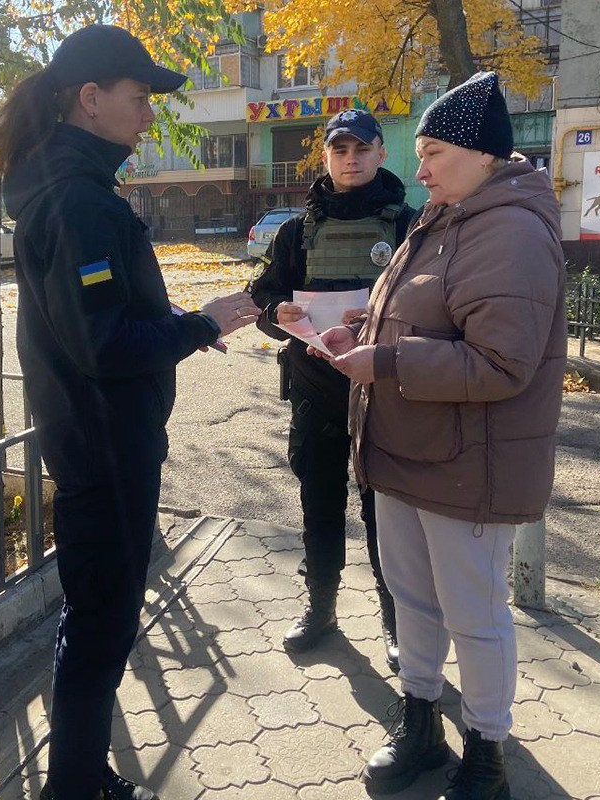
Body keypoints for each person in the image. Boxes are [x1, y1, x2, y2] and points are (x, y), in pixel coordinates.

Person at [0, 24, 260, 800]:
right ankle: (73, 786)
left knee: (100, 619)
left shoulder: (71, 191)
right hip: (106, 451)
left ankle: (76, 778)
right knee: (101, 628)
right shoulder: (78, 204)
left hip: (96, 442)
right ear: (90, 99)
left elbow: (94, 322)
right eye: (139, 98)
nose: (148, 115)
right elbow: (104, 347)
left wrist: (178, 324)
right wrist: (199, 324)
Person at [316, 72, 566, 799]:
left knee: (475, 617)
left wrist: (385, 360)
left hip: (466, 466)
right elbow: (422, 310)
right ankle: (420, 724)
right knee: (413, 600)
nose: (417, 167)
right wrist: (359, 328)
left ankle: (486, 750)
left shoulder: (510, 228)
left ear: (481, 154)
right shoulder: (444, 216)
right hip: (405, 452)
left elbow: (500, 362)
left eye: (431, 152)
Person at [248, 108, 415, 668]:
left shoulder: (410, 225)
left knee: (384, 511)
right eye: (340, 150)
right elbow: (263, 299)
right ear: (326, 157)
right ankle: (321, 608)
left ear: (380, 153)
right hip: (316, 388)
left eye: (361, 149)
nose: (351, 159)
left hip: (384, 391)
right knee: (319, 501)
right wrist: (278, 311)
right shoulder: (297, 230)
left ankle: (396, 621)